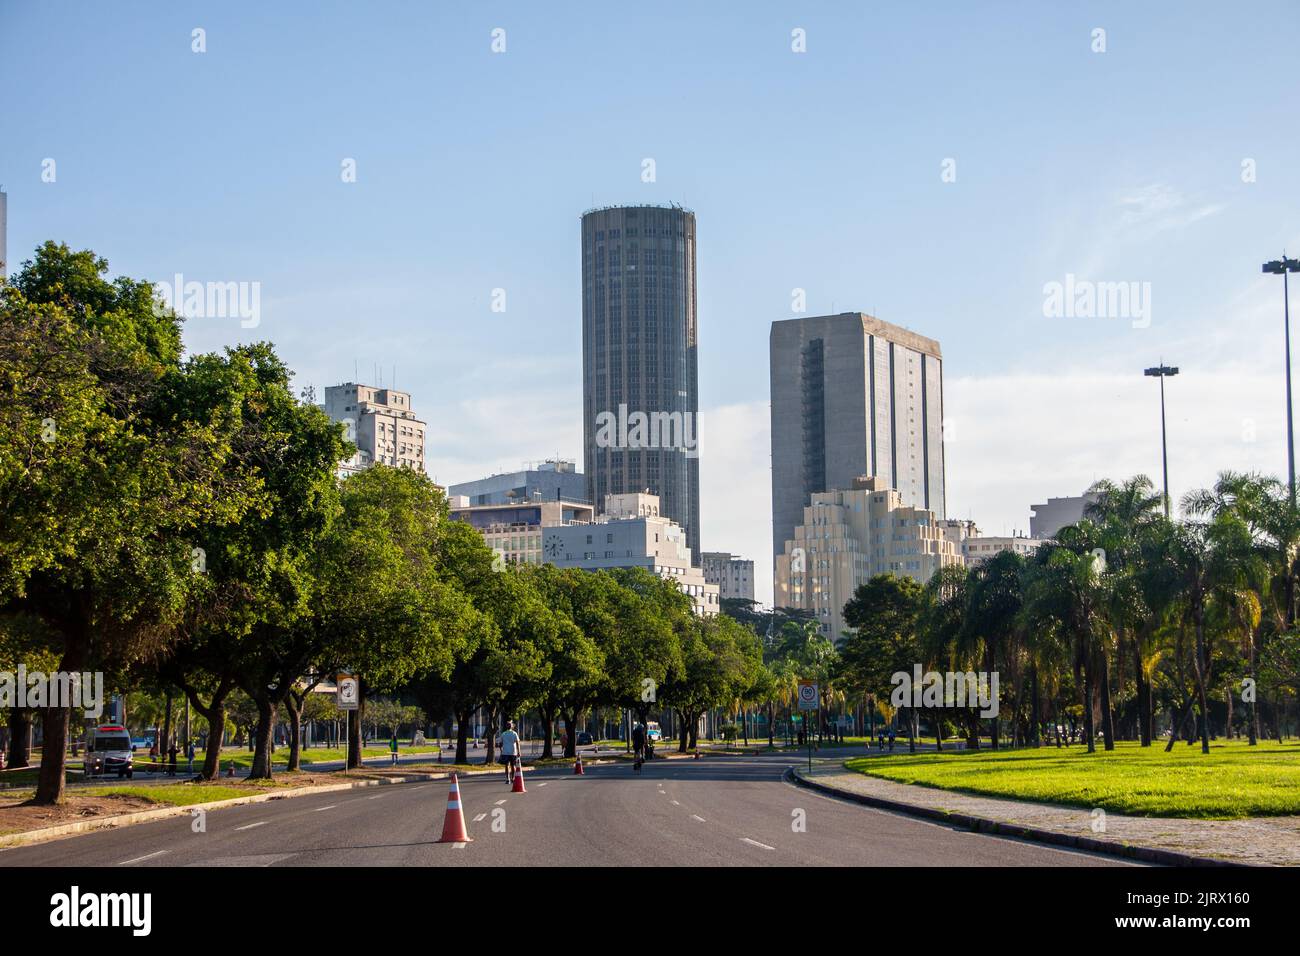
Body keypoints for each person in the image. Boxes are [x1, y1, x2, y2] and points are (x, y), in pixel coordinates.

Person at [500, 719, 521, 784]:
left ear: (506, 726)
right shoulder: (514, 733)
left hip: (505, 752)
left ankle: (507, 779)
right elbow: (517, 743)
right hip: (513, 752)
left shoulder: (503, 734)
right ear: (512, 726)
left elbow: (501, 744)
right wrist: (519, 751)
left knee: (506, 765)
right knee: (513, 765)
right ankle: (513, 778)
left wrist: (501, 750)